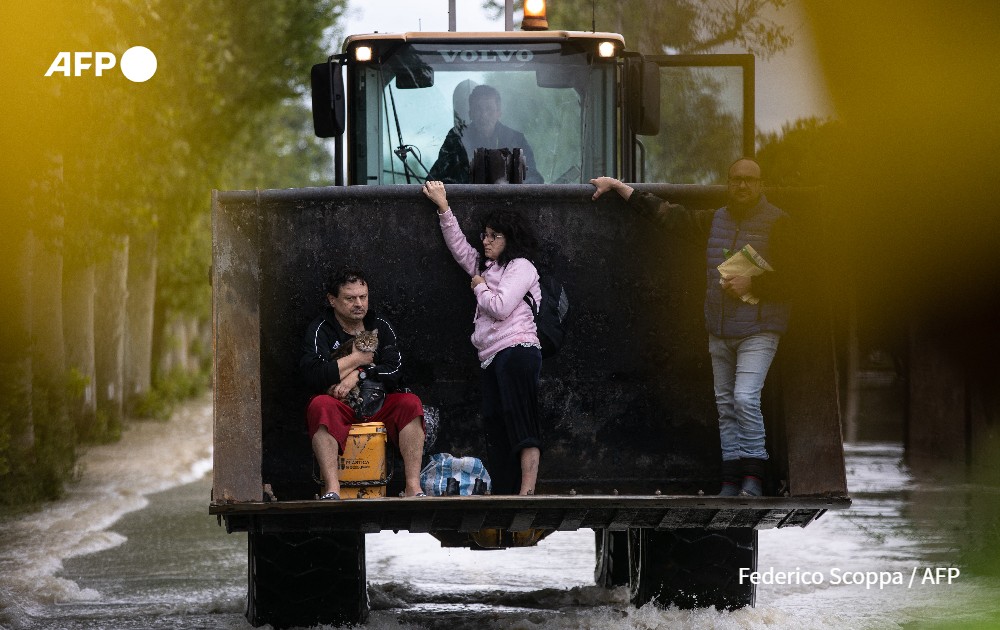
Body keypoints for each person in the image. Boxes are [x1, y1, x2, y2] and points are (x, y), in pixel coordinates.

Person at [590, 158, 793, 497]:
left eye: (750, 180)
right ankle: (730, 481)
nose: (742, 185)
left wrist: (754, 285)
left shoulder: (779, 223)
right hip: (719, 327)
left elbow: (801, 279)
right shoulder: (715, 220)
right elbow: (668, 215)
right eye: (736, 179)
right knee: (726, 404)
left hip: (759, 329)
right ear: (729, 183)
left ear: (761, 185)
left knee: (744, 398)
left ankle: (754, 479)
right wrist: (619, 187)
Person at [421, 179, 544, 495]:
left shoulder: (521, 267)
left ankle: (527, 492)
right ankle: (505, 492)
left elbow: (500, 307)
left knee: (521, 421)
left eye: (494, 236)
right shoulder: (485, 267)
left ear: (510, 238)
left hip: (517, 351)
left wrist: (478, 285)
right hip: (491, 357)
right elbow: (459, 245)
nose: (486, 241)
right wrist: (443, 207)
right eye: (485, 235)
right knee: (495, 424)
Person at [300, 266, 426, 499]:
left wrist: (359, 374)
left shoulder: (380, 325)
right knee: (319, 406)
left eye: (363, 297)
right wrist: (357, 358)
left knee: (410, 403)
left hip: (379, 403)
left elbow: (396, 370)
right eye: (350, 298)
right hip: (341, 404)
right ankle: (332, 489)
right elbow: (313, 374)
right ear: (332, 300)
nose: (359, 303)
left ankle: (412, 487)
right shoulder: (321, 329)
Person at [427, 84, 543, 184]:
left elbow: (534, 179)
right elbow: (435, 180)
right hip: (462, 206)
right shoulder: (457, 138)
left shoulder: (516, 140)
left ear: (498, 113)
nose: (484, 115)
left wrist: (510, 184)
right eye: (478, 109)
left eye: (489, 109)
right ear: (470, 113)